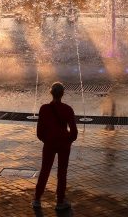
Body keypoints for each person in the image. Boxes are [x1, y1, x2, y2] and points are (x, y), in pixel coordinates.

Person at [33, 82, 78, 211]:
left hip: (49, 144)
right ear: (62, 94)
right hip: (64, 144)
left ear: (51, 93)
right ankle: (60, 201)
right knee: (62, 172)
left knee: (45, 170)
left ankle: (37, 199)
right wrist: (68, 140)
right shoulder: (68, 109)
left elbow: (39, 132)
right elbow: (74, 132)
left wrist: (47, 140)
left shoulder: (44, 109)